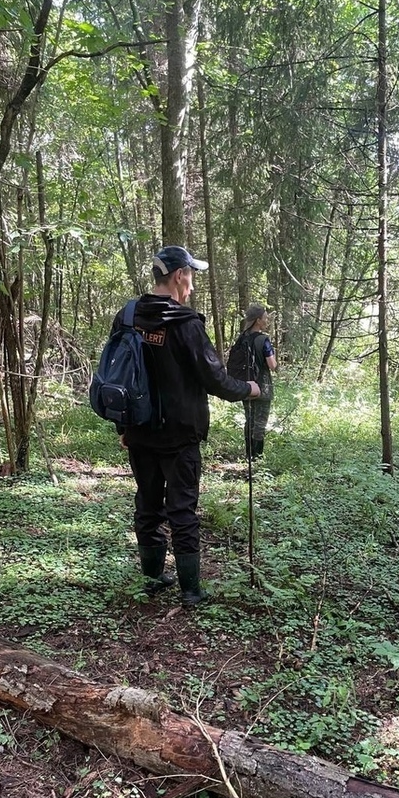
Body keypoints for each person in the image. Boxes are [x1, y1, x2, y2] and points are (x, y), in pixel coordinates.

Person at [115, 246, 260, 606]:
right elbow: (215, 379)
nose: (192, 286)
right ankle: (191, 591)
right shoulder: (186, 323)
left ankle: (152, 580)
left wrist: (123, 425)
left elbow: (116, 374)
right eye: (191, 276)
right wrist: (249, 389)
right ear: (179, 275)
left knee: (148, 504)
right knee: (181, 509)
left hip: (139, 429)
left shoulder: (128, 316)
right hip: (180, 435)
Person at [238, 304, 277, 459]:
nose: (267, 320)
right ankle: (257, 457)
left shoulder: (242, 338)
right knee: (260, 423)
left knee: (249, 419)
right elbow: (272, 365)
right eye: (265, 318)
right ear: (258, 321)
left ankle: (248, 455)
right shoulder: (263, 340)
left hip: (245, 386)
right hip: (262, 386)